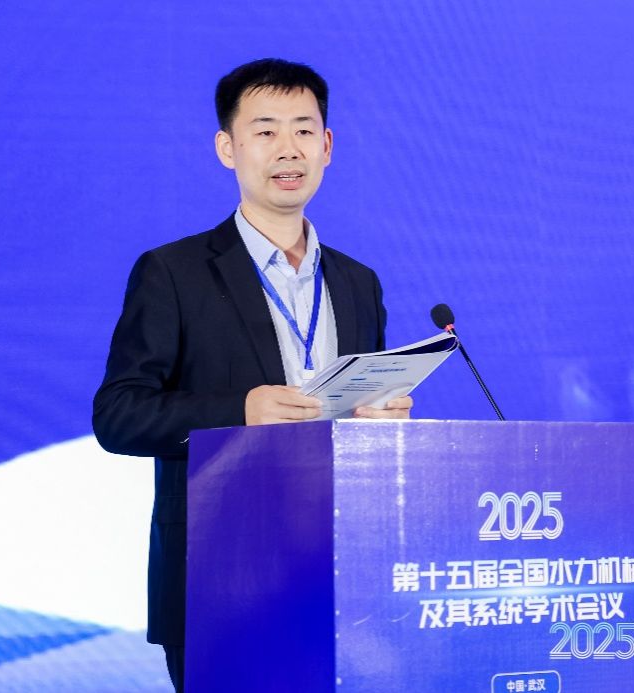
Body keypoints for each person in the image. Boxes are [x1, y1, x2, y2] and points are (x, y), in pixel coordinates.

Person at [92, 58, 411, 692]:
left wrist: (379, 421)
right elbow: (119, 414)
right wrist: (239, 412)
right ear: (227, 148)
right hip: (220, 578)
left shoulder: (358, 282)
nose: (288, 149)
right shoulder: (173, 273)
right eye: (265, 131)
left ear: (327, 147)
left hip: (343, 575)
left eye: (304, 130)